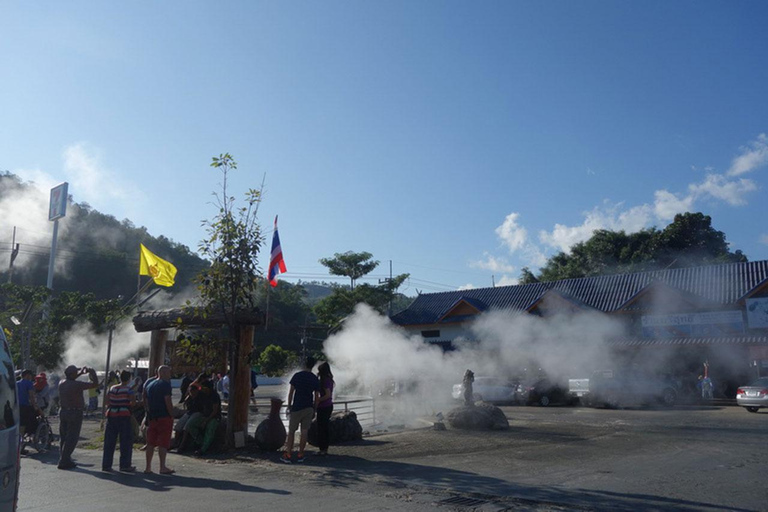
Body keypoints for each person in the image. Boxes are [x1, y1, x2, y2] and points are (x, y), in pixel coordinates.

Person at [58, 365, 99, 469]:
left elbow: (71, 378)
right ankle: (64, 460)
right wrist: (92, 372)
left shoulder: (61, 383)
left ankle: (64, 458)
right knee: (72, 437)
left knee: (64, 436)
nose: (77, 373)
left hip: (63, 411)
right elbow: (95, 384)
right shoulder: (77, 385)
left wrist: (80, 372)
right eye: (75, 372)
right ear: (71, 374)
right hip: (74, 413)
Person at [281, 357, 320, 464]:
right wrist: (314, 409)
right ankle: (300, 455)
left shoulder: (297, 376)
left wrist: (289, 406)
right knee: (304, 432)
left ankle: (288, 454)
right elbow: (316, 396)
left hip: (297, 407)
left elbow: (291, 393)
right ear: (312, 366)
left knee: (292, 432)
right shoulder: (314, 378)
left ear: (304, 364)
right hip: (308, 408)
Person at [102, 370, 136, 472]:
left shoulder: (112, 388)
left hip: (111, 415)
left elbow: (106, 401)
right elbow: (133, 402)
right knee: (125, 441)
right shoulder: (129, 389)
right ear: (129, 378)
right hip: (124, 416)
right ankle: (125, 465)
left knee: (109, 441)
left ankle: (106, 465)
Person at [143, 365, 175, 475]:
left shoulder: (150, 384)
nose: (170, 375)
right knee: (163, 442)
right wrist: (172, 414)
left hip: (152, 417)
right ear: (165, 373)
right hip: (164, 416)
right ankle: (162, 467)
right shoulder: (165, 385)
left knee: (150, 442)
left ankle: (148, 467)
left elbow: (145, 401)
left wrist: (148, 413)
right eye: (169, 373)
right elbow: (168, 401)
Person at [185, 379, 221, 456]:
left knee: (210, 428)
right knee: (190, 425)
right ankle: (200, 442)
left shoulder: (214, 396)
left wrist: (206, 421)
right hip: (204, 416)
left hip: (214, 417)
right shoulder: (202, 395)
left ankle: (203, 449)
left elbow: (214, 411)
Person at [315, 362, 334, 456]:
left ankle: (322, 449)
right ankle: (324, 449)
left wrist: (318, 400)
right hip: (329, 406)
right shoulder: (329, 380)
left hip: (324, 406)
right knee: (325, 428)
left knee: (321, 428)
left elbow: (327, 395)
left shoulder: (324, 381)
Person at [17, 370, 42, 440]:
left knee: (19, 423)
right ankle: (21, 443)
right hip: (25, 406)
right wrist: (35, 406)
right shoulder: (29, 383)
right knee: (24, 424)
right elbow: (31, 396)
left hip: (16, 406)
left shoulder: (16, 383)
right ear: (27, 375)